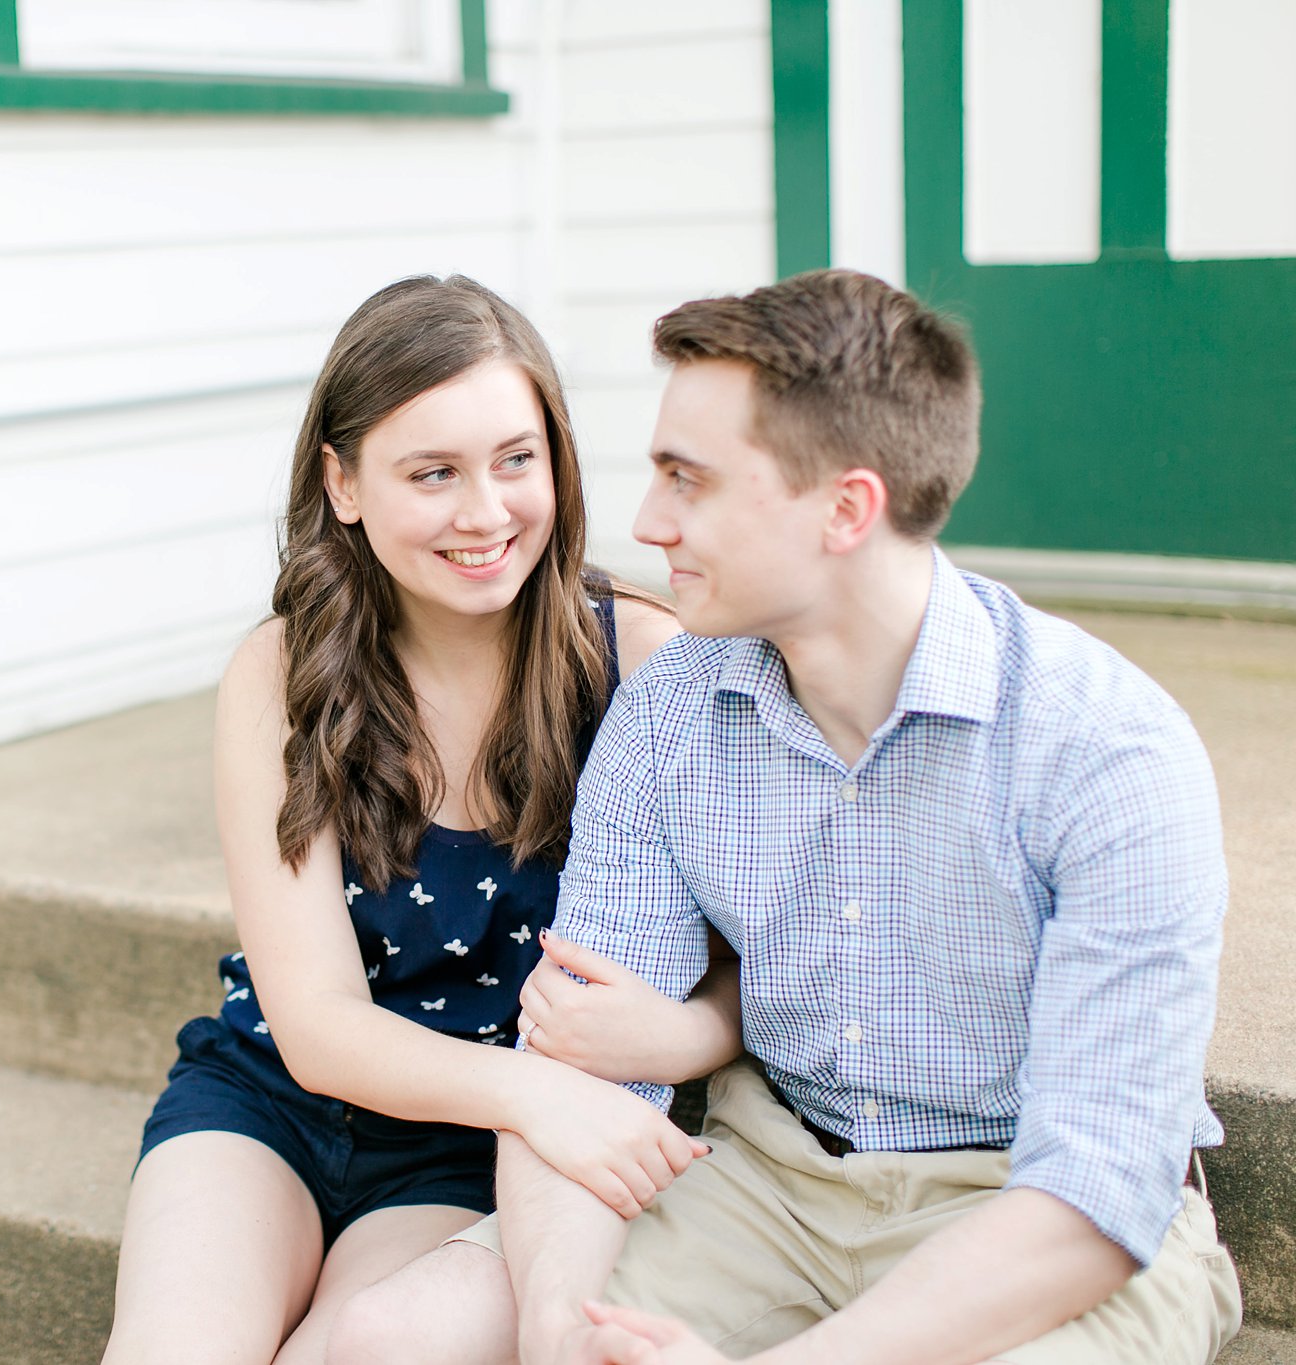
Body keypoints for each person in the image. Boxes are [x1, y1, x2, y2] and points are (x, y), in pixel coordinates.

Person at [324, 268, 1244, 1365]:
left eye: (687, 480)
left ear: (845, 509)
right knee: (391, 1340)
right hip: (761, 1188)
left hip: (1028, 1213)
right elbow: (581, 1068)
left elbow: (1096, 1191)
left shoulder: (1105, 750)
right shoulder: (666, 710)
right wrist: (559, 1330)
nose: (644, 520)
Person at [100, 275, 747, 1365]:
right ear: (342, 483)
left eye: (514, 460)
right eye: (432, 473)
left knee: (354, 1350)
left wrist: (665, 1047)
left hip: (473, 1145)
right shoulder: (281, 674)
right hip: (271, 1102)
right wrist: (542, 1095)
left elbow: (760, 956)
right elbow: (315, 1028)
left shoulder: (642, 664)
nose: (485, 512)